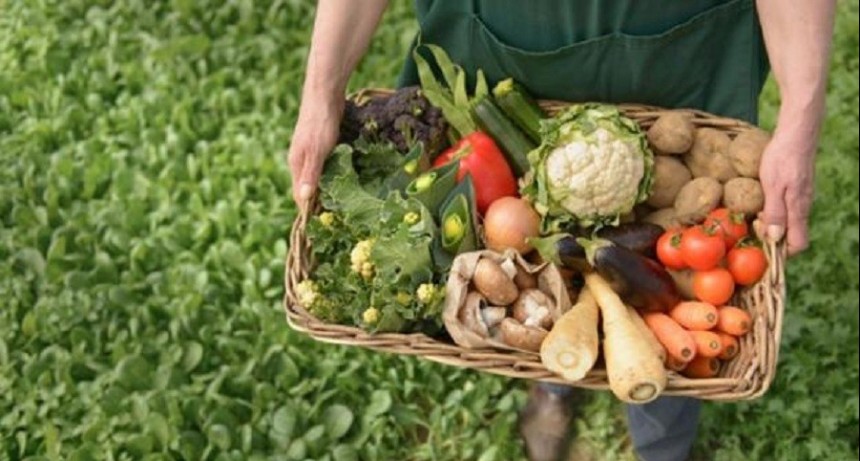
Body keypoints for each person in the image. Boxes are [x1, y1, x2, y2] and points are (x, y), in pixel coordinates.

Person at [288, 1, 836, 460]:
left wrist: (802, 117)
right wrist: (319, 94)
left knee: (672, 298)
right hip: (500, 44)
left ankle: (663, 433)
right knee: (545, 270)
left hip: (679, 51)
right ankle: (554, 377)